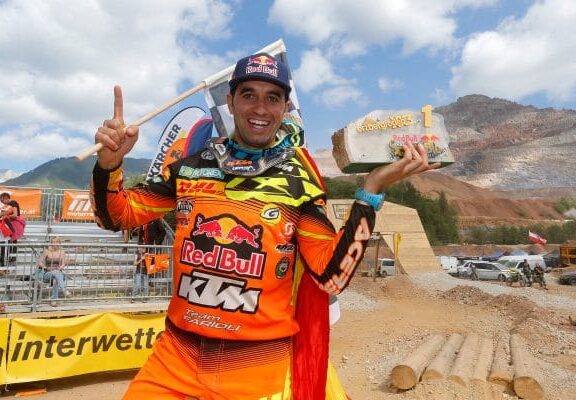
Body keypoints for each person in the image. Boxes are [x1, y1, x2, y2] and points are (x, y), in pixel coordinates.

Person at [90, 52, 438, 399]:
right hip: (176, 360)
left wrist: (370, 192)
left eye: (272, 98)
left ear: (285, 107)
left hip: (258, 369)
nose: (260, 108)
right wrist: (109, 164)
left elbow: (330, 276)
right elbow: (117, 216)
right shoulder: (190, 168)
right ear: (230, 101)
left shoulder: (301, 181)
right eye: (249, 95)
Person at [36, 237, 70, 306]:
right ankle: (64, 290)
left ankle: (54, 300)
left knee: (56, 278)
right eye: (53, 242)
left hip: (58, 272)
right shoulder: (47, 251)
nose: (55, 244)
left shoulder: (62, 252)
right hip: (47, 273)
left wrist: (59, 269)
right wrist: (46, 268)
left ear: (59, 243)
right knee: (56, 274)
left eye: (56, 242)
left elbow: (63, 264)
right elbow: (39, 262)